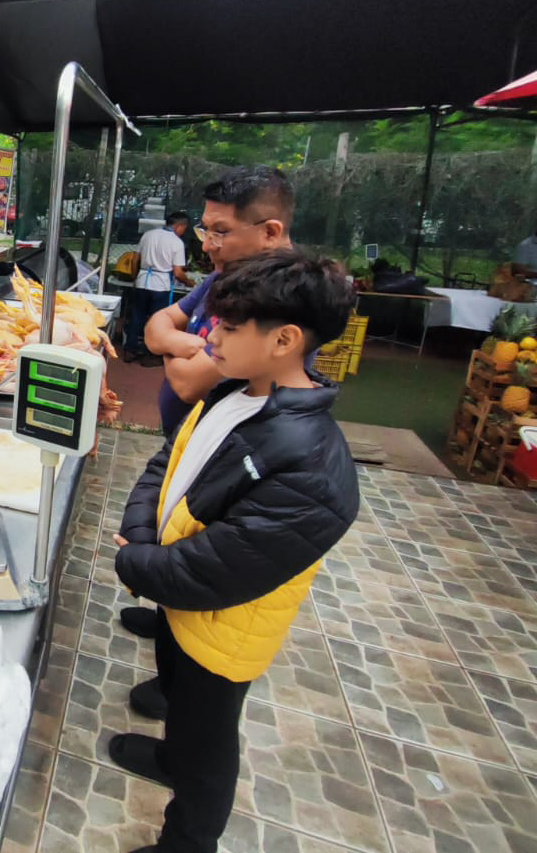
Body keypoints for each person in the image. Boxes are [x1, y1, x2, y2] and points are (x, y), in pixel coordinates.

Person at [109, 248, 359, 853]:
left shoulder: (312, 467)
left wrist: (135, 561)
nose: (209, 335)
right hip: (179, 606)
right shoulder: (233, 392)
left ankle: (189, 840)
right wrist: (144, 534)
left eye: (228, 326)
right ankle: (171, 754)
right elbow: (167, 461)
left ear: (285, 340)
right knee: (176, 690)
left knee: (208, 741)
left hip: (224, 632)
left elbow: (217, 571)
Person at [117, 166, 295, 655]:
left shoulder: (277, 294)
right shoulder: (225, 277)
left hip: (230, 453)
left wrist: (178, 351)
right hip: (193, 440)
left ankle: (181, 672)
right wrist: (188, 346)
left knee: (202, 554)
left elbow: (187, 379)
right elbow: (155, 330)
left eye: (220, 232)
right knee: (174, 530)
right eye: (204, 229)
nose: (207, 244)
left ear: (270, 231)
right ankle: (166, 616)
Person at [124, 212, 192, 365]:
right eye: (184, 228)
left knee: (137, 316)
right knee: (157, 321)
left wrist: (136, 277)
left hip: (142, 281)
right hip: (160, 285)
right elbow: (178, 273)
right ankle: (150, 354)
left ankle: (130, 350)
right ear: (179, 226)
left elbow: (135, 259)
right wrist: (190, 283)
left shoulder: (148, 235)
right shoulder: (177, 243)